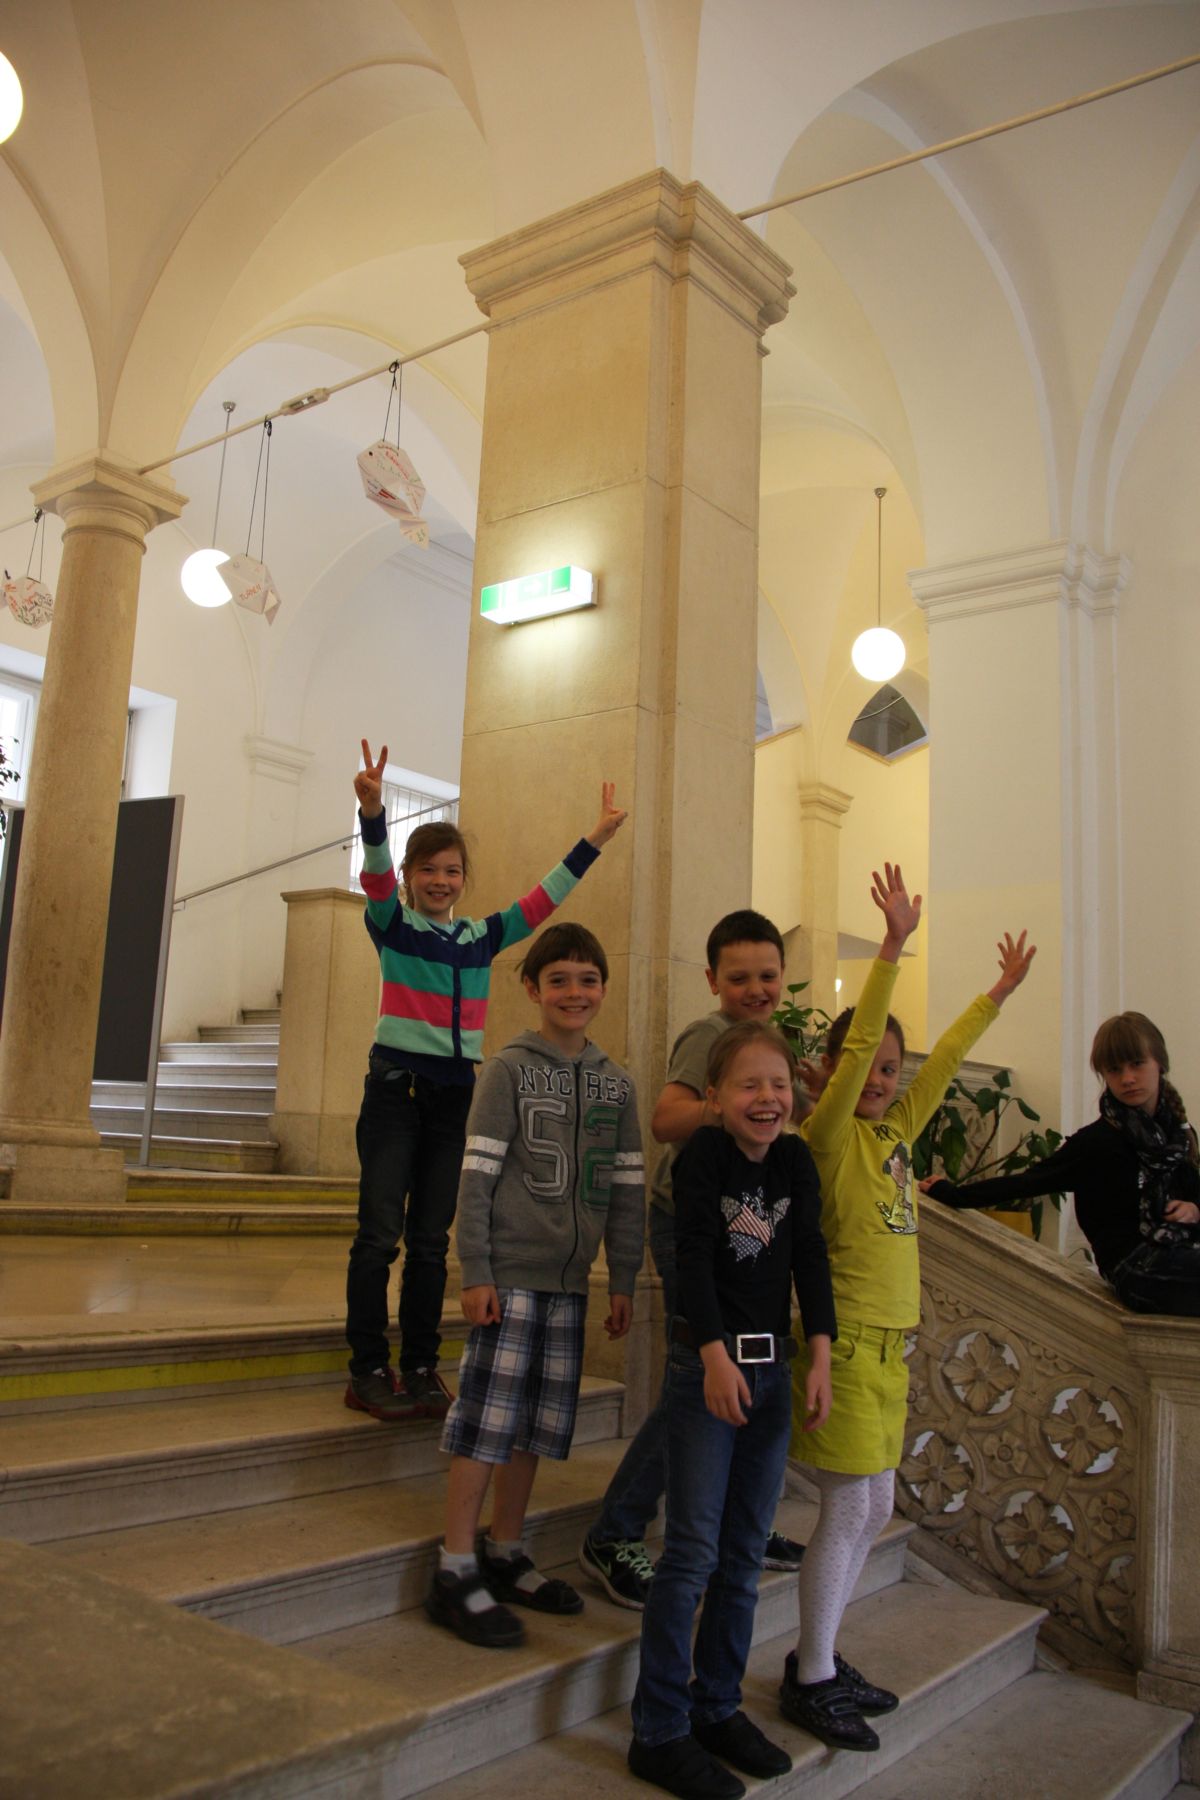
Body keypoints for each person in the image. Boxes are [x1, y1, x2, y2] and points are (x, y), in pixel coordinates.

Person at [781, 864, 1035, 1754]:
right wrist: (891, 947)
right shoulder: (827, 1135)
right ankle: (811, 1676)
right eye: (867, 1067)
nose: (881, 1080)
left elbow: (948, 1062)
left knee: (875, 1505)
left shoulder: (895, 1135)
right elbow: (854, 1055)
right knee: (850, 1508)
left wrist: (996, 995)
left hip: (892, 1348)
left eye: (892, 1069)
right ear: (834, 1072)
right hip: (843, 1344)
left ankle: (820, 1655)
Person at [345, 739, 626, 1421]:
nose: (441, 880)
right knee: (380, 1235)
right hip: (395, 1090)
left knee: (431, 1240)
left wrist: (593, 840)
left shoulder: (479, 938)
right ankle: (367, 1368)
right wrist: (374, 815)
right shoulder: (392, 924)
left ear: (464, 878)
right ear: (410, 876)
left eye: (452, 870)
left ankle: (420, 1365)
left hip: (453, 1097)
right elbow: (375, 878)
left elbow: (542, 900)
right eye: (429, 870)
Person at [579, 910, 809, 1612]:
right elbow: (665, 1118)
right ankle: (615, 1531)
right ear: (713, 980)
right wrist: (727, 1104)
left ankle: (745, 1523)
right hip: (693, 1227)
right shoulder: (710, 1037)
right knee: (697, 1383)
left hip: (751, 1232)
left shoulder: (770, 1041)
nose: (756, 989)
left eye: (767, 975)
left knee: (743, 1383)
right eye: (739, 978)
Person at [628, 1022, 835, 1800]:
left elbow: (808, 1255)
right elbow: (690, 1259)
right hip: (706, 1369)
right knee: (691, 1554)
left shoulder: (794, 1161)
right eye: (750, 1085)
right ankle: (658, 1729)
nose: (767, 1098)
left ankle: (716, 1706)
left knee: (746, 1552)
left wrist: (819, 1354)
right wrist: (713, 1354)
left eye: (779, 1084)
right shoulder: (704, 1157)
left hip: (773, 1371)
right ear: (715, 1098)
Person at [425, 922, 645, 1647]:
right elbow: (478, 1175)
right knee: (488, 1423)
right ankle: (455, 1563)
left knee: (532, 1428)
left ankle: (506, 1548)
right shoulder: (508, 1071)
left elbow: (628, 1190)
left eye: (587, 979)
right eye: (559, 980)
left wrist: (623, 1276)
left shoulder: (618, 1084)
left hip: (572, 1285)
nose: (574, 992)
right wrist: (476, 1269)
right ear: (532, 988)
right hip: (511, 1279)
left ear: (603, 988)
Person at [923, 1011, 1200, 1316]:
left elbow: (1194, 1194)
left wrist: (1194, 1209)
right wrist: (952, 1194)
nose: (1127, 1079)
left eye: (1137, 1064)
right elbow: (1027, 1182)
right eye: (1114, 1069)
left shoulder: (1180, 1136)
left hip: (1179, 1252)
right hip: (1134, 1269)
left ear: (1160, 1063)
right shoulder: (1097, 1142)